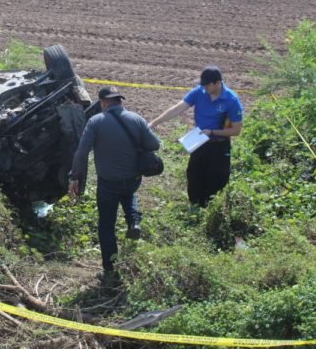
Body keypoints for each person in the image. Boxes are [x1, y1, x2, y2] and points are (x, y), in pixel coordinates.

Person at [68, 86, 161, 282]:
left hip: (108, 183)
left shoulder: (96, 122)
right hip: (133, 179)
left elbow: (82, 152)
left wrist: (74, 177)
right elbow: (155, 145)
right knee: (128, 194)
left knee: (106, 226)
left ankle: (110, 271)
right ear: (120, 101)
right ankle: (134, 220)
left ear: (102, 103)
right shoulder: (136, 119)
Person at [149, 66, 243, 207]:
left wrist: (212, 132)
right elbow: (177, 108)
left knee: (217, 178)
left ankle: (211, 211)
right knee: (194, 174)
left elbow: (236, 130)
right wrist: (153, 123)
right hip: (199, 141)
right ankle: (194, 207)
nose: (204, 88)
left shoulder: (231, 100)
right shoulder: (199, 92)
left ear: (217, 83)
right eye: (203, 85)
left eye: (207, 85)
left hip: (219, 145)